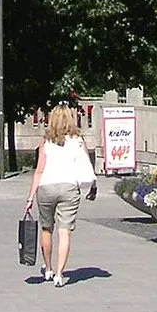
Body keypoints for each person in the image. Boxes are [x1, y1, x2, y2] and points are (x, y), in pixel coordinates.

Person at [21, 104, 96, 286]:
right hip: (69, 188)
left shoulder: (46, 141)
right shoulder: (78, 140)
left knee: (47, 229)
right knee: (65, 232)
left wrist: (30, 197)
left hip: (46, 187)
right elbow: (86, 164)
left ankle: (48, 268)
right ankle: (60, 275)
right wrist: (93, 185)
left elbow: (39, 171)